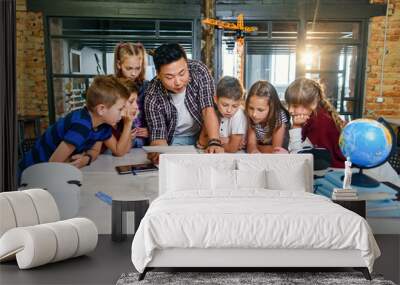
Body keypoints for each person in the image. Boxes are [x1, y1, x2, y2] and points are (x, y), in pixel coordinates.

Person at [18, 75, 130, 173]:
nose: (124, 113)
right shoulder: (81, 125)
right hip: (29, 174)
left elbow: (97, 151)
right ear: (101, 109)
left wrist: (85, 159)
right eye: (120, 109)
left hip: (50, 172)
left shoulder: (102, 125)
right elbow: (53, 164)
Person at [144, 43, 223, 163]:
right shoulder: (152, 94)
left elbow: (208, 109)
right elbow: (158, 134)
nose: (178, 82)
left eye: (182, 73)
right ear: (158, 74)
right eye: (169, 77)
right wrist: (159, 152)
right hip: (174, 139)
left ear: (187, 64)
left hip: (202, 134)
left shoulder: (199, 71)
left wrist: (214, 142)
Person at [284, 77, 346, 168]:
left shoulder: (320, 123)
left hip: (330, 172)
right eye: (288, 105)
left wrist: (296, 126)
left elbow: (297, 160)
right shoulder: (313, 116)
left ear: (312, 104)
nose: (290, 110)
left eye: (295, 106)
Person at [197, 76, 247, 153]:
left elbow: (232, 148)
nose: (229, 110)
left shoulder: (238, 115)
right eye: (225, 105)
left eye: (234, 106)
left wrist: (215, 141)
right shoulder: (212, 112)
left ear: (240, 103)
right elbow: (201, 142)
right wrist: (223, 140)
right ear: (215, 99)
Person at [114, 42, 149, 147]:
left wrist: (152, 131)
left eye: (137, 68)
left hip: (145, 143)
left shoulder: (147, 86)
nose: (134, 73)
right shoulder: (111, 87)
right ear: (119, 64)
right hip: (120, 142)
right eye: (129, 68)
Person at [246, 80, 290, 154]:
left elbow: (276, 150)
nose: (254, 114)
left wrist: (257, 146)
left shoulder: (279, 117)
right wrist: (253, 148)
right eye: (251, 108)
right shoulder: (252, 117)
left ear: (272, 107)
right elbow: (250, 145)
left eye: (260, 110)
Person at [101, 78, 139, 156]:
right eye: (131, 102)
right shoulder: (105, 121)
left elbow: (126, 149)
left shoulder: (121, 120)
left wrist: (128, 122)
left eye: (136, 101)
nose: (136, 106)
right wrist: (128, 123)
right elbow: (119, 152)